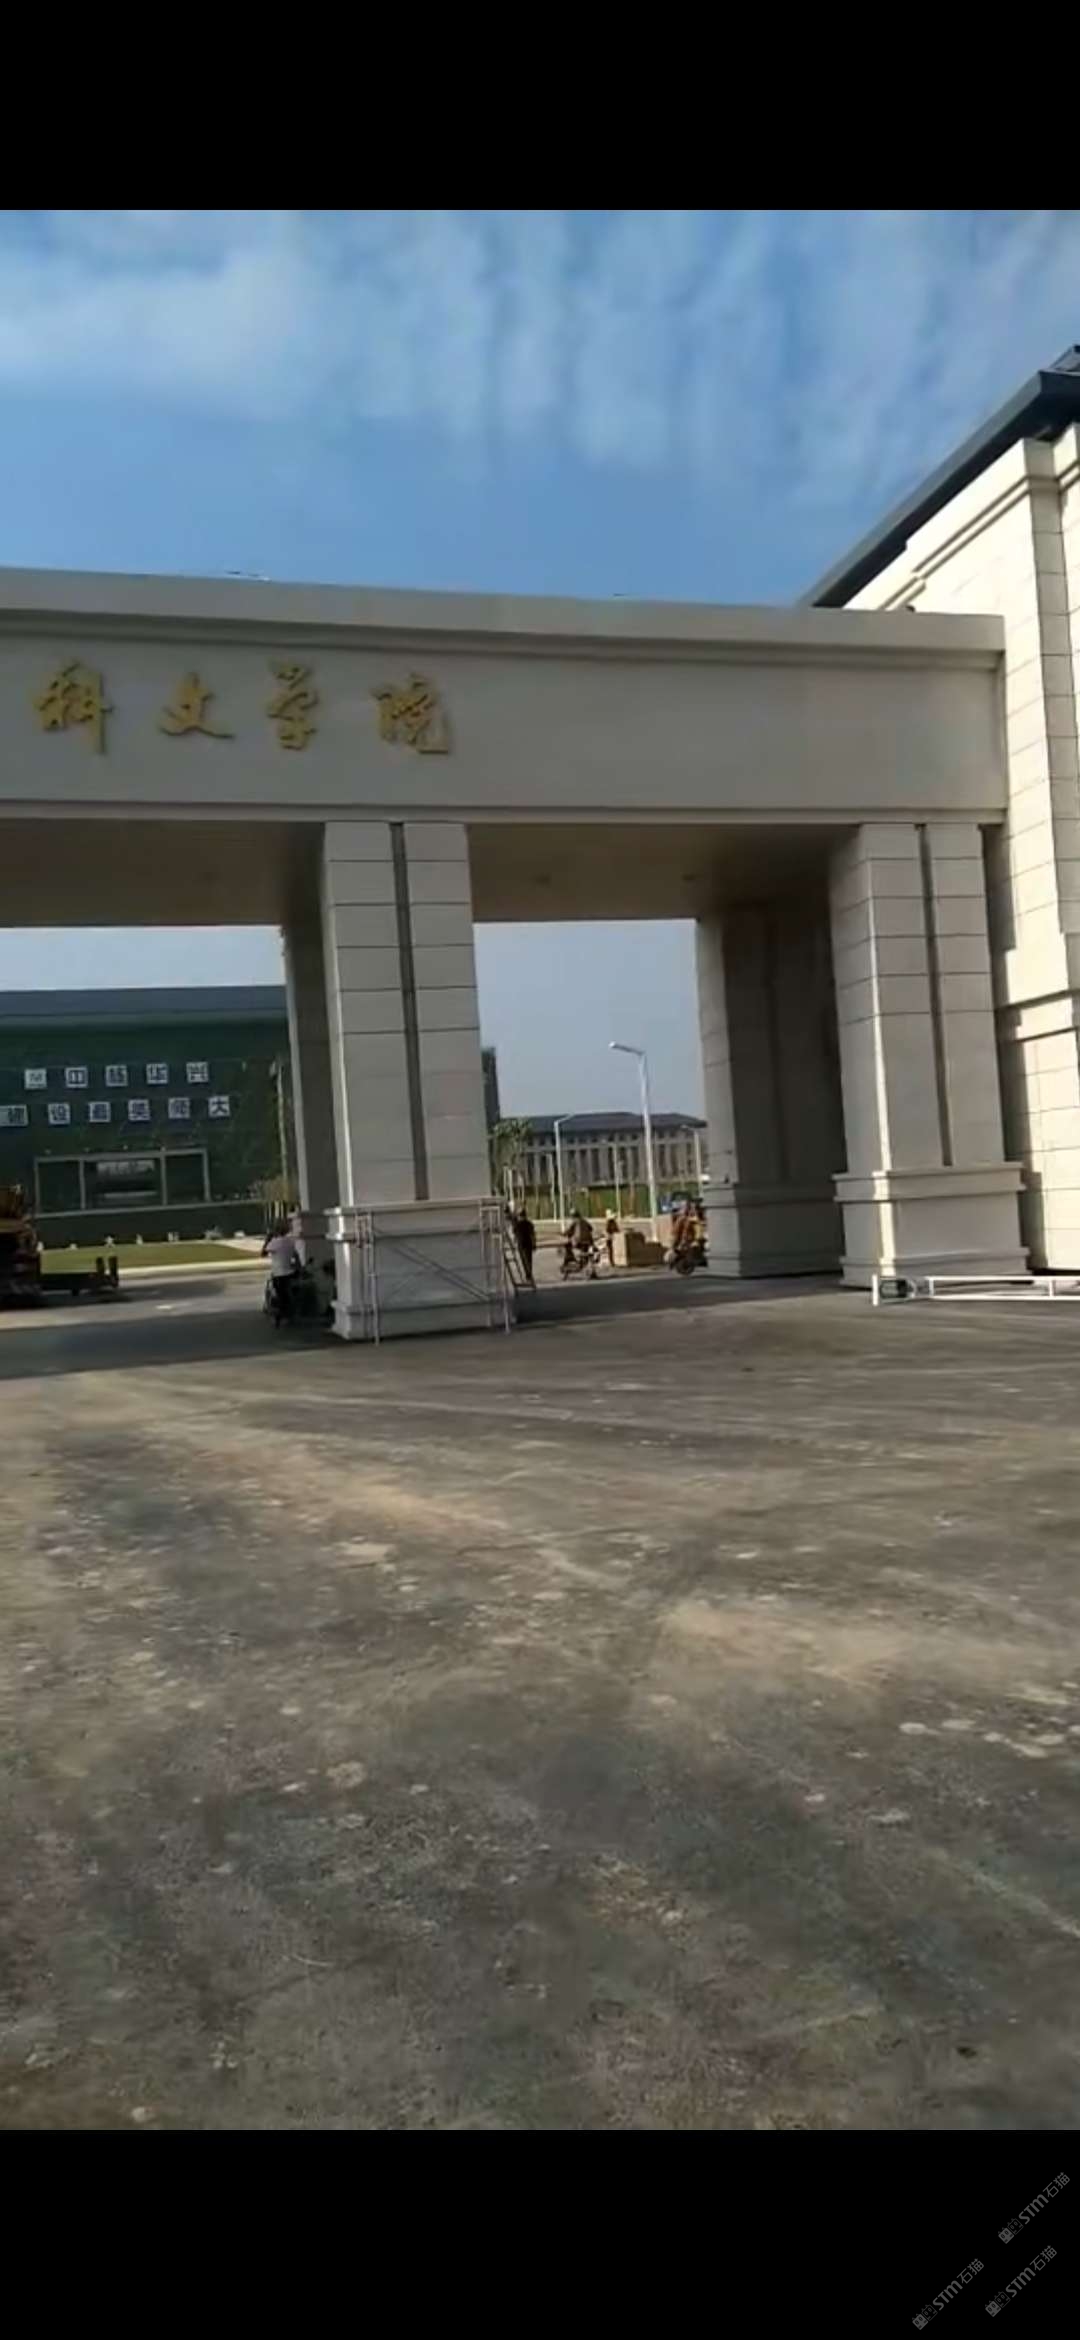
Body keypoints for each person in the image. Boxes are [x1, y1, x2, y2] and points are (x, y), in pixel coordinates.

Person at [262, 1221, 301, 1323]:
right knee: (286, 1293)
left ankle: (280, 1314)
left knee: (280, 1294)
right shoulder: (290, 1242)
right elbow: (296, 1256)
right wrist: (298, 1267)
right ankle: (289, 1313)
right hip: (289, 1271)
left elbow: (263, 1253)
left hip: (278, 1273)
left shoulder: (274, 1242)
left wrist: (268, 1239)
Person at [512, 1205, 537, 1288]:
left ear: (519, 1215)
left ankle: (528, 1275)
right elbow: (532, 1235)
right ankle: (529, 1275)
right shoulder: (529, 1224)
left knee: (523, 1260)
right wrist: (534, 1244)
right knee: (529, 1260)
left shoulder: (517, 1224)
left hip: (521, 1244)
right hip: (528, 1244)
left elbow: (515, 1235)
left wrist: (514, 1243)